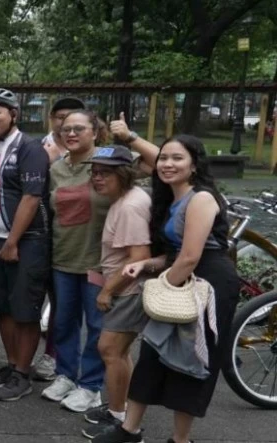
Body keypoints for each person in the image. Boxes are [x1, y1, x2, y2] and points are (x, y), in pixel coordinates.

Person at [90, 135, 239, 443]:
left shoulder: (201, 198)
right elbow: (173, 255)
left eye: (177, 158)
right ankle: (128, 429)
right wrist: (146, 266)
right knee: (153, 353)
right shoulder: (168, 199)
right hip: (178, 276)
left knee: (192, 362)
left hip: (206, 284)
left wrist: (159, 289)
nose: (168, 164)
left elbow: (191, 256)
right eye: (164, 159)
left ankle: (180, 440)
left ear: (194, 164)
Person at [0, 88, 51, 402]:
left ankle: (23, 373)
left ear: (13, 114)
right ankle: (12, 364)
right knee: (1, 306)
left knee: (25, 310)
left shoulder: (30, 148)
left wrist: (13, 241)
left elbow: (32, 197)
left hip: (26, 241)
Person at [78, 146, 152, 439]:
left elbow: (138, 257)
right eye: (94, 172)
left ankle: (121, 418)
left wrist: (107, 291)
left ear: (124, 173)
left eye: (105, 173)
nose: (97, 178)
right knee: (119, 352)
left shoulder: (131, 206)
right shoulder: (123, 200)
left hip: (129, 290)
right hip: (125, 287)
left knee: (109, 350)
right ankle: (120, 408)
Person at [42, 109, 112, 413]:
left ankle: (91, 386)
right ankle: (66, 375)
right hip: (63, 257)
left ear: (95, 132)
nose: (71, 134)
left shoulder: (107, 160)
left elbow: (152, 165)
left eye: (79, 129)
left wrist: (128, 137)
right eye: (66, 129)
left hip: (97, 261)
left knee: (97, 326)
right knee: (63, 322)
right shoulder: (56, 168)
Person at [41, 97, 85, 162]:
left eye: (73, 117)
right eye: (61, 117)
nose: (67, 122)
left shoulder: (89, 150)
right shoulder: (36, 147)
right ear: (51, 118)